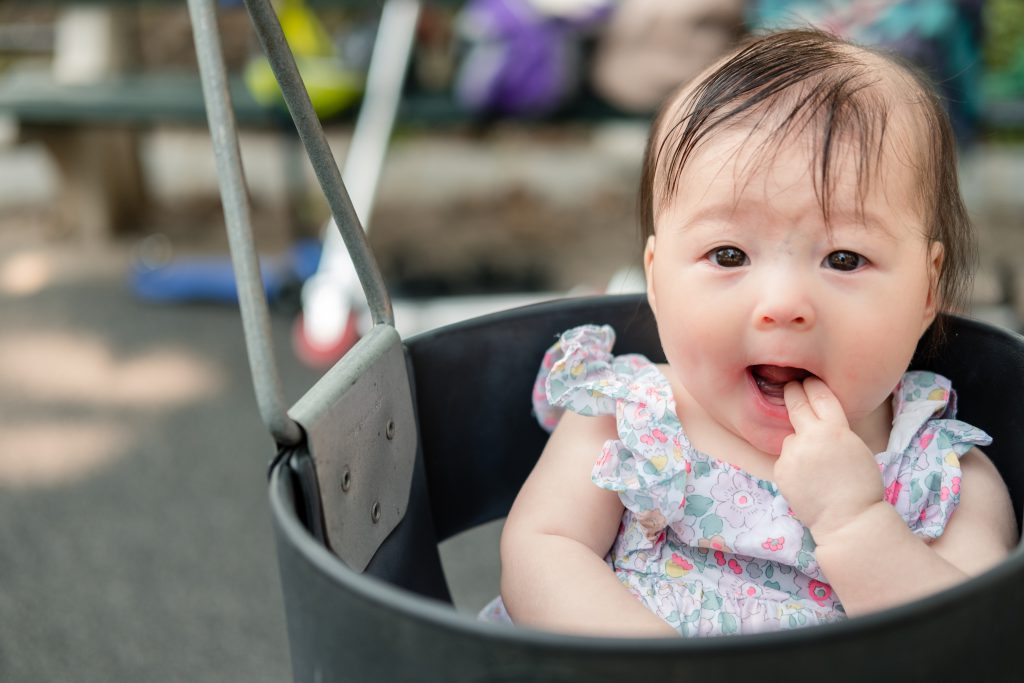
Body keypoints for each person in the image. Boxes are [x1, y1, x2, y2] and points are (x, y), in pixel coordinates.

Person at [483, 28, 1018, 638]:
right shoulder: (627, 419)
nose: (783, 304)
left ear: (927, 290)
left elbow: (969, 643)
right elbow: (540, 554)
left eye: (843, 259)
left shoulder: (943, 473)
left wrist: (855, 520)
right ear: (656, 280)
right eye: (729, 254)